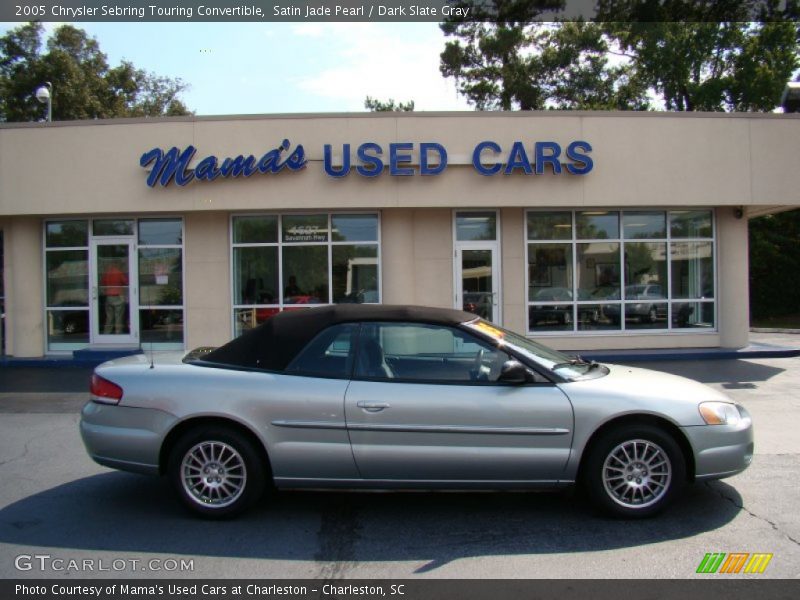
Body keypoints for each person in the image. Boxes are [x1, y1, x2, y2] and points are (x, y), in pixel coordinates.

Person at [101, 260, 128, 334]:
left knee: (109, 317)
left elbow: (103, 283)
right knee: (118, 317)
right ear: (117, 265)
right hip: (118, 296)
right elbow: (126, 282)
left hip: (109, 297)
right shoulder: (119, 273)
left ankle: (106, 333)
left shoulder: (107, 273)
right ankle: (118, 333)